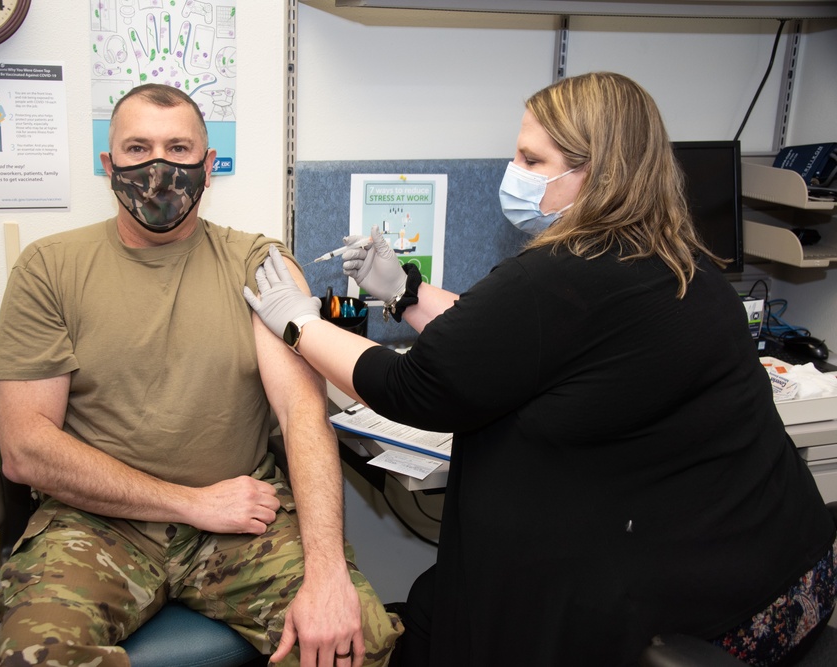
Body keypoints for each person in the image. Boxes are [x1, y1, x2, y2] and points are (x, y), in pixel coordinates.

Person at [243, 71, 837, 666]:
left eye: (533, 159)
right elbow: (509, 339)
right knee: (431, 610)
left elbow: (412, 387)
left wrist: (300, 323)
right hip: (790, 574)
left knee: (444, 620)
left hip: (692, 619)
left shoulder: (560, 272)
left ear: (597, 173)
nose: (515, 172)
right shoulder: (676, 257)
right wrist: (405, 291)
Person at [0, 83, 401, 667]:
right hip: (100, 524)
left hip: (242, 518)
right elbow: (26, 449)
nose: (158, 167)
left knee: (356, 644)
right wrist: (190, 503)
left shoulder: (260, 266)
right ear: (109, 166)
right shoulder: (49, 269)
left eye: (179, 149)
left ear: (209, 166)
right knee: (33, 655)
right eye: (138, 149)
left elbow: (301, 413)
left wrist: (328, 573)